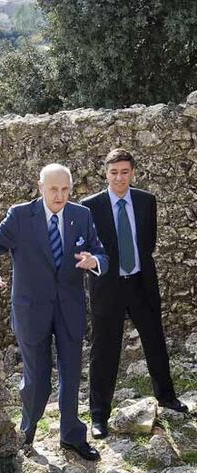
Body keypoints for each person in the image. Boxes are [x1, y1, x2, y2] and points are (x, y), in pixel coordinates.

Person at [0, 164, 109, 461]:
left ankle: (71, 436)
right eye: (54, 189)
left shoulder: (82, 215)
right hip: (31, 310)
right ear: (41, 187)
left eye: (65, 189)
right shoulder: (20, 216)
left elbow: (100, 252)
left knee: (71, 374)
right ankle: (26, 432)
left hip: (70, 309)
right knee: (36, 377)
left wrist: (94, 261)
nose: (60, 195)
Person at [81, 148, 188, 440]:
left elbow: (147, 243)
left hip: (141, 282)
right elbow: (88, 246)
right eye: (114, 172)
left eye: (125, 172)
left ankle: (166, 397)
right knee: (104, 351)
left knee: (155, 341)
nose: (119, 177)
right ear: (106, 173)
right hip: (107, 287)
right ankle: (99, 415)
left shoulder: (145, 201)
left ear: (133, 172)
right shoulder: (90, 206)